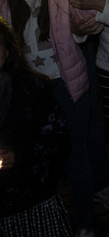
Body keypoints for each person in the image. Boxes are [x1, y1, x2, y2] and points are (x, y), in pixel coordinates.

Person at [2, 0, 109, 236]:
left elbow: (86, 16)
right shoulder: (4, 0)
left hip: (66, 86)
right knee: (31, 156)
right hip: (27, 95)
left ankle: (84, 225)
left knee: (76, 158)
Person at [0, 16, 73, 235]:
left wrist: (20, 154)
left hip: (34, 202)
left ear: (7, 50)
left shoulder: (32, 88)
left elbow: (59, 140)